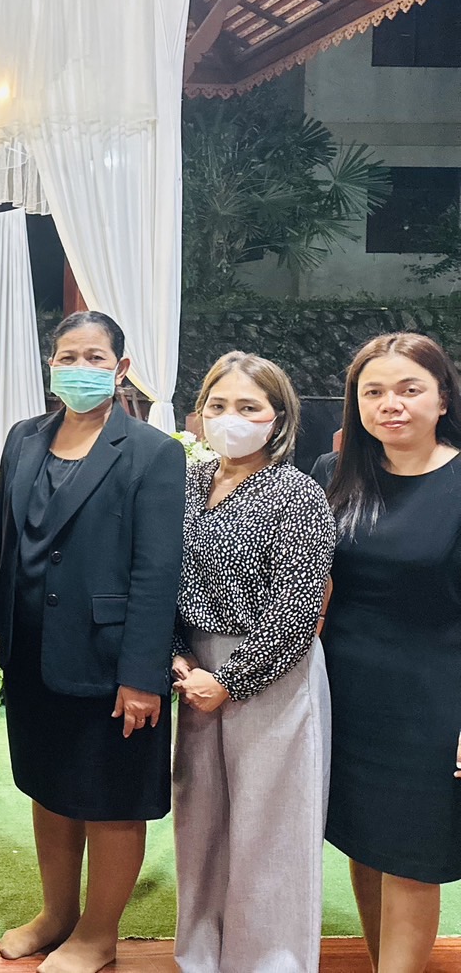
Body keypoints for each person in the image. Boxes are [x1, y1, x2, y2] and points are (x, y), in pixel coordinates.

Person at [0, 310, 183, 973]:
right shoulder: (23, 439)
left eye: (95, 358)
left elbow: (157, 571)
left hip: (111, 660)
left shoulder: (153, 452)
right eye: (67, 357)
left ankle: (99, 934)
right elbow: (4, 538)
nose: (80, 368)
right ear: (51, 365)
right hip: (33, 653)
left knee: (111, 798)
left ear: (120, 368)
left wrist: (143, 675)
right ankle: (57, 914)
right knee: (49, 787)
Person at [172, 352, 335, 973]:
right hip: (195, 669)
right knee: (202, 822)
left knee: (271, 827)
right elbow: (161, 575)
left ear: (278, 417)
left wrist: (230, 680)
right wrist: (177, 658)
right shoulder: (188, 482)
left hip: (270, 669)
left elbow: (298, 610)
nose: (230, 418)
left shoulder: (297, 494)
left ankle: (270, 961)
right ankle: (200, 956)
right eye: (218, 405)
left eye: (248, 407)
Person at [310, 332, 461, 973]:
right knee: (365, 842)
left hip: (432, 698)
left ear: (443, 399)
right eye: (373, 392)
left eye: (409, 389)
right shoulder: (334, 473)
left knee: (411, 855)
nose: (390, 404)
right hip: (344, 691)